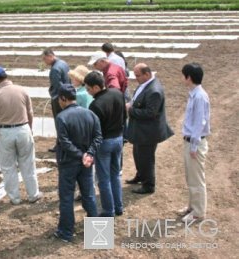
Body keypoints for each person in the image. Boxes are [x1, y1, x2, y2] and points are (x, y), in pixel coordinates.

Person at [54, 84, 102, 243]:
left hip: (68, 163)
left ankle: (66, 232)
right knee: (88, 194)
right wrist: (89, 154)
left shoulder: (62, 117)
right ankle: (96, 234)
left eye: (59, 100)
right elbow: (98, 138)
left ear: (63, 98)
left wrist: (81, 155)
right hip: (86, 163)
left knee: (66, 197)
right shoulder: (90, 114)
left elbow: (64, 142)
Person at [0, 66, 41, 205]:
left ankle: (15, 198)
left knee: (8, 167)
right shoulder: (21, 90)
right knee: (28, 164)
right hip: (23, 128)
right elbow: (30, 112)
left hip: (6, 132)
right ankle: (33, 195)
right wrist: (29, 129)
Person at [125, 63, 174, 194]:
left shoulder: (154, 91)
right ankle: (140, 176)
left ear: (147, 74)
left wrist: (131, 109)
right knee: (138, 155)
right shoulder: (145, 85)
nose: (136, 78)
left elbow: (150, 113)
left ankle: (149, 185)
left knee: (146, 158)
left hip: (148, 132)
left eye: (137, 75)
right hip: (141, 130)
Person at [84, 71, 125, 217]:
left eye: (88, 89)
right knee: (115, 175)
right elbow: (124, 116)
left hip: (105, 143)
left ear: (96, 87)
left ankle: (109, 210)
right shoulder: (117, 93)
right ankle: (118, 206)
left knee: (104, 179)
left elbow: (94, 131)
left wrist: (90, 150)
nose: (88, 92)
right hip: (118, 139)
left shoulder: (95, 105)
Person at [179, 63, 210, 223]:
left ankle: (198, 212)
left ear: (189, 77)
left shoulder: (199, 96)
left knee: (196, 178)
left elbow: (200, 122)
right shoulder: (194, 94)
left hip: (195, 142)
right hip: (190, 141)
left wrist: (194, 145)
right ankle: (192, 206)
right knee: (191, 176)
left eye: (183, 75)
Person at [42, 48, 70, 152]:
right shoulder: (64, 63)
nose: (45, 62)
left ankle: (60, 145)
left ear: (50, 56)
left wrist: (58, 98)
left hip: (59, 99)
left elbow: (58, 86)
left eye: (45, 59)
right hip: (67, 97)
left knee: (59, 122)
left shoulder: (55, 69)